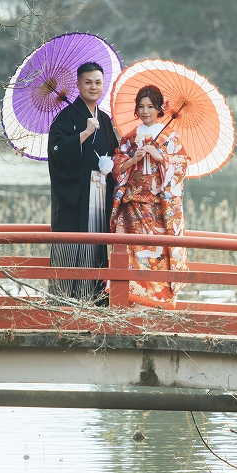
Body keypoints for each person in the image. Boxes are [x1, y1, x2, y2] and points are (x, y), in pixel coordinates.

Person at [110, 85, 189, 308]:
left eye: (151, 107)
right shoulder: (129, 138)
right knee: (132, 255)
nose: (145, 111)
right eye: (141, 107)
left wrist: (162, 157)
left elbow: (182, 167)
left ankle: (159, 304)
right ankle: (132, 303)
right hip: (132, 206)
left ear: (159, 109)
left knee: (159, 254)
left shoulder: (169, 137)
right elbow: (117, 168)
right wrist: (133, 160)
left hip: (158, 208)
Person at [47, 62, 119, 303]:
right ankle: (63, 303)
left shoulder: (105, 119)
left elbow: (115, 153)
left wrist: (111, 164)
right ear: (78, 85)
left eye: (98, 82)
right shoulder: (66, 117)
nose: (93, 87)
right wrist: (84, 133)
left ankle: (94, 302)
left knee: (96, 244)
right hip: (75, 195)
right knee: (72, 246)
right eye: (88, 82)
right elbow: (57, 152)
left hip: (99, 191)